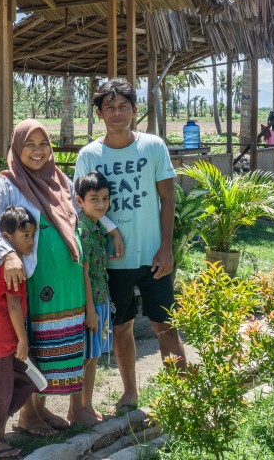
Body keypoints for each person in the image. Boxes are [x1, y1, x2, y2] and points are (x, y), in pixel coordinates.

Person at [74, 79, 187, 414]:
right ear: (99, 113)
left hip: (153, 256)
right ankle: (130, 394)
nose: (117, 113)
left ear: (135, 111)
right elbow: (80, 205)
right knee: (122, 328)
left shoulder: (153, 147)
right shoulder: (89, 155)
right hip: (112, 263)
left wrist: (166, 248)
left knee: (165, 326)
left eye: (123, 106)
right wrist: (111, 230)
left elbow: (168, 199)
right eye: (109, 107)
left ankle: (182, 394)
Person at [0, 119, 85, 436]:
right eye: (30, 144)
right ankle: (27, 415)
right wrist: (8, 255)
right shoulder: (6, 185)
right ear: (16, 147)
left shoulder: (59, 180)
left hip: (65, 280)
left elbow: (74, 217)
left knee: (54, 346)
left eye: (43, 144)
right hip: (34, 280)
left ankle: (41, 409)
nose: (38, 151)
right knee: (34, 344)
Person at [0, 206, 39, 459]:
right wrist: (22, 339)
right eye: (25, 236)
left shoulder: (7, 261)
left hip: (3, 338)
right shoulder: (10, 265)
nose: (30, 241)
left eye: (32, 235)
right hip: (1, 339)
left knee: (26, 381)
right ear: (6, 236)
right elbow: (13, 305)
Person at [72, 171, 125, 424]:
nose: (101, 204)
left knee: (92, 357)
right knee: (86, 358)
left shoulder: (95, 226)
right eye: (94, 199)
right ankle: (78, 410)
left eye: (105, 198)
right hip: (90, 304)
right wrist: (90, 311)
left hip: (101, 299)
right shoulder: (82, 230)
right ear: (79, 201)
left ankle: (86, 406)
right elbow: (83, 272)